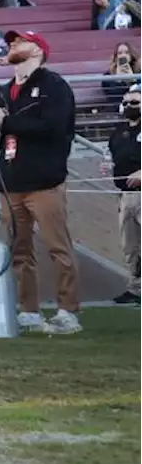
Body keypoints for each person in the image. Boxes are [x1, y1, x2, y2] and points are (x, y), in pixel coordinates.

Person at [0, 31, 80, 334]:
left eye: (20, 41)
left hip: (45, 181)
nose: (12, 45)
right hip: (11, 181)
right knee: (20, 250)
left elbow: (52, 126)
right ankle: (29, 309)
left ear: (38, 50)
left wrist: (7, 122)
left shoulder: (54, 86)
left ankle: (68, 310)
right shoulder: (7, 89)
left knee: (58, 247)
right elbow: (2, 134)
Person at [107, 84, 142, 305]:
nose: (130, 106)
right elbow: (112, 156)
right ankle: (135, 289)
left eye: (135, 103)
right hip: (125, 195)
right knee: (130, 247)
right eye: (127, 103)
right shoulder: (118, 131)